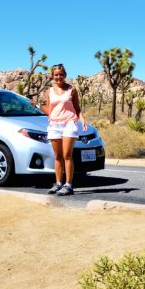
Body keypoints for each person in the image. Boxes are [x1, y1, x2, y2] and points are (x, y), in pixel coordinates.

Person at [35, 64, 88, 196]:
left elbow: (77, 108)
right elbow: (49, 111)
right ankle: (58, 183)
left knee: (67, 155)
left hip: (69, 123)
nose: (58, 77)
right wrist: (37, 105)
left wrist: (82, 119)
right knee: (58, 156)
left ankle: (68, 185)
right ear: (52, 76)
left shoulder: (72, 89)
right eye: (56, 75)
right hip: (54, 125)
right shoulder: (49, 92)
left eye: (61, 74)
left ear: (65, 75)